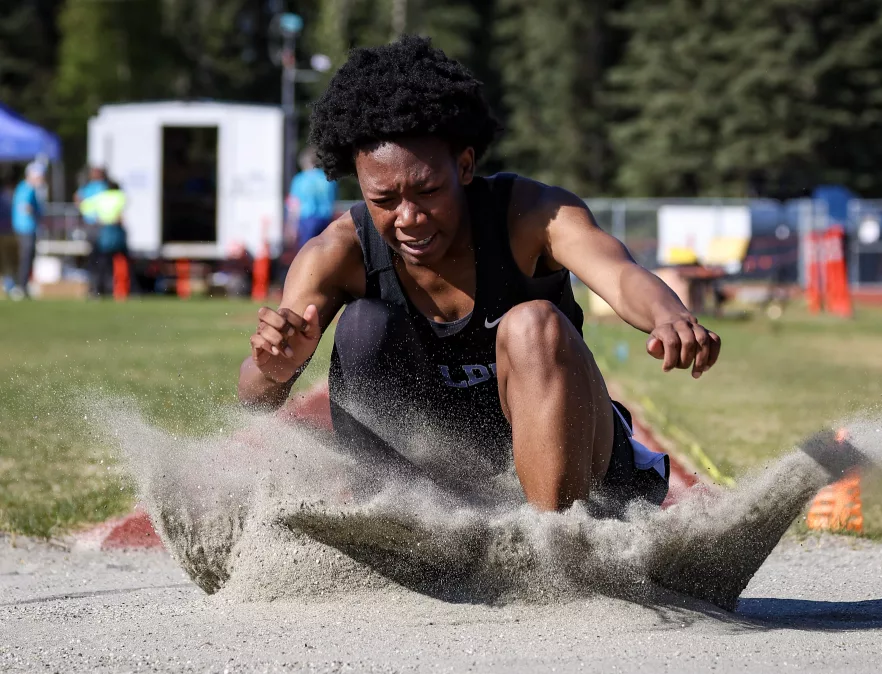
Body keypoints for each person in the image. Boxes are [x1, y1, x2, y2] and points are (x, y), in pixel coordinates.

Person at [238, 36, 721, 512]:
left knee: (532, 323)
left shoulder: (533, 215)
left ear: (465, 166)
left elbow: (617, 275)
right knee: (363, 325)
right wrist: (274, 369)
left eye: (427, 191)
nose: (408, 217)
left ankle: (556, 549)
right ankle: (390, 521)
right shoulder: (336, 254)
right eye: (383, 200)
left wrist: (668, 314)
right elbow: (255, 395)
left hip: (576, 469)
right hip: (442, 477)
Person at [79, 181, 128, 296]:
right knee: (121, 261)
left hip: (103, 230)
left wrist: (95, 219)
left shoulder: (100, 197)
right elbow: (121, 213)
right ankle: (119, 290)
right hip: (115, 231)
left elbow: (84, 206)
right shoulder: (119, 196)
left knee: (100, 263)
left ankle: (97, 289)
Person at [287, 147, 337, 249]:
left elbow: (294, 205)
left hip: (306, 220)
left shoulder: (300, 179)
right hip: (325, 220)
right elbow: (332, 202)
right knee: (323, 251)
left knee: (307, 252)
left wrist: (292, 226)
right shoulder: (328, 179)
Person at [10, 163, 46, 300]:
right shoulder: (27, 189)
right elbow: (25, 207)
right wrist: (36, 213)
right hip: (25, 228)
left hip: (27, 228)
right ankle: (20, 286)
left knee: (29, 257)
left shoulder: (27, 188)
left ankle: (23, 286)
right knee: (26, 257)